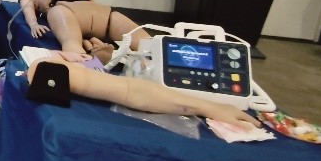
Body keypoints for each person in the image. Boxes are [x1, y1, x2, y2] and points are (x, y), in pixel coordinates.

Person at [25, 51, 263, 131]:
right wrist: (208, 107)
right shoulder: (44, 68)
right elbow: (131, 92)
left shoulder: (45, 66)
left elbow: (130, 90)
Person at [20, 0, 150, 61]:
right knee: (147, 44)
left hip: (66, 12)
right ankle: (155, 56)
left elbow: (27, 8)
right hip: (103, 14)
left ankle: (91, 66)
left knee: (72, 44)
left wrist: (34, 24)